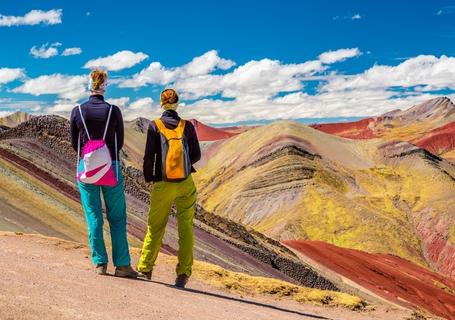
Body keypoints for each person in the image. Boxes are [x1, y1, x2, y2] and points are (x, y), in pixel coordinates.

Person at [70, 69, 137, 278]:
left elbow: (75, 143)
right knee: (117, 217)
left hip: (86, 167)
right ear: (105, 86)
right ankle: (123, 265)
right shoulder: (113, 111)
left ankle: (100, 263)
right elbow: (121, 141)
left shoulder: (77, 111)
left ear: (88, 85)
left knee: (93, 215)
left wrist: (91, 156)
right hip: (112, 167)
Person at [137, 88, 201, 288]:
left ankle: (145, 268)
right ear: (177, 103)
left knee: (155, 227)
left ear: (161, 103)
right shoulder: (187, 126)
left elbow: (149, 158)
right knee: (186, 228)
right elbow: (197, 155)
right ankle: (183, 274)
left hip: (163, 184)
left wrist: (151, 178)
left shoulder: (154, 126)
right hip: (185, 183)